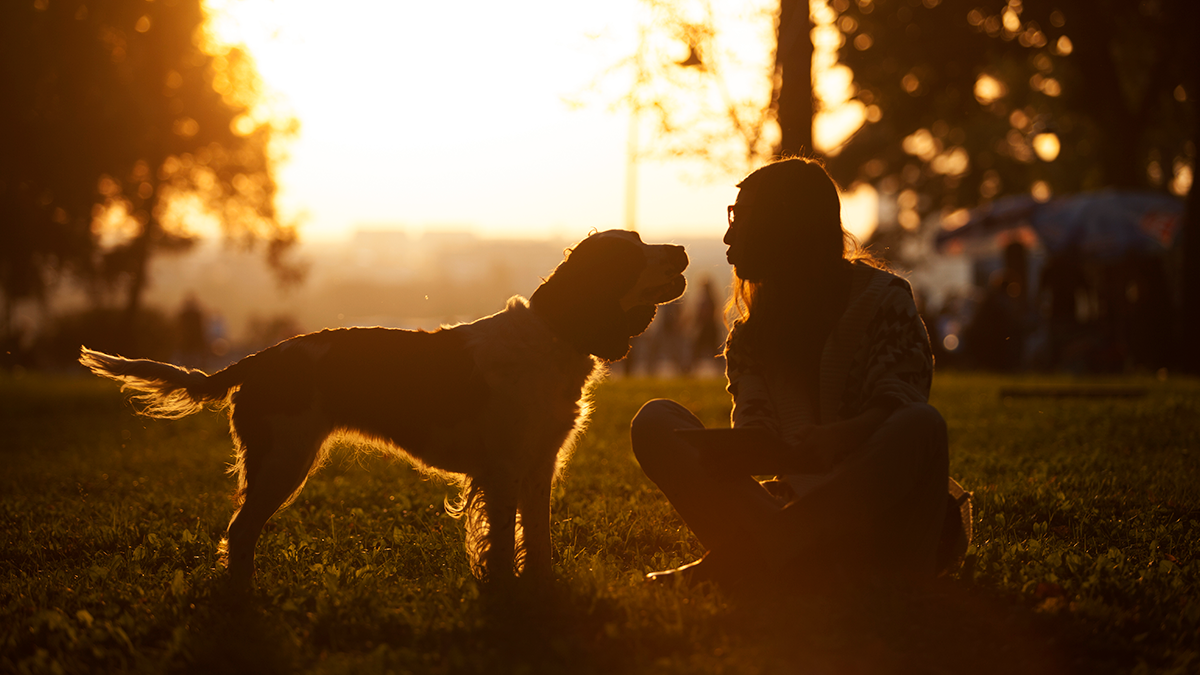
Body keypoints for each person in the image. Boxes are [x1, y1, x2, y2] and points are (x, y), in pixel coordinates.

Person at [631, 158, 965, 589]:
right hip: (797, 503)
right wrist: (744, 448)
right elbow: (759, 431)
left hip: (886, 524)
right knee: (656, 421)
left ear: (784, 225)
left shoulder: (885, 301)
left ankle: (762, 552)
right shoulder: (749, 339)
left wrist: (841, 436)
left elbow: (899, 403)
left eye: (741, 219)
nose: (729, 235)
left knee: (922, 426)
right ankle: (795, 555)